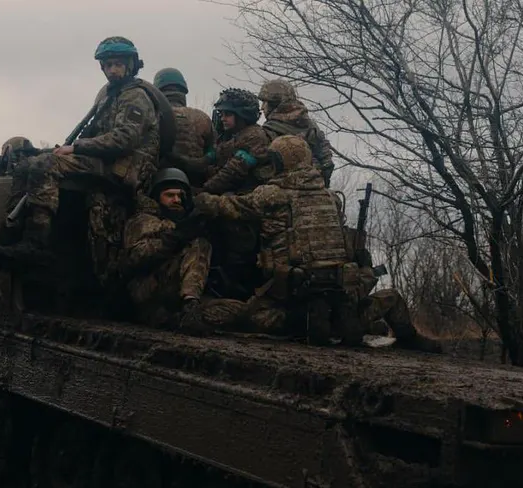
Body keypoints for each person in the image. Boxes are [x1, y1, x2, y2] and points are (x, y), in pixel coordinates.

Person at [0, 36, 161, 290]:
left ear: (131, 64)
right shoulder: (111, 97)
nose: (112, 70)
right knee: (29, 164)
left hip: (122, 169)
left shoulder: (136, 96)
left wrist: (75, 148)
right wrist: (50, 149)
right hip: (104, 163)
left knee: (46, 166)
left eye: (118, 64)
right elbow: (91, 136)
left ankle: (36, 244)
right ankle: (9, 238)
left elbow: (125, 139)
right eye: (108, 64)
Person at [185, 135, 364, 343]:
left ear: (280, 162)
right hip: (339, 282)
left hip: (295, 286)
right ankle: (336, 317)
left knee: (246, 317)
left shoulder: (272, 194)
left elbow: (231, 207)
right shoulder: (332, 197)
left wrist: (200, 199)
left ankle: (301, 318)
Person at [170, 87, 274, 299]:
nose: (223, 118)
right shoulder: (228, 138)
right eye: (222, 114)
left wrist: (201, 192)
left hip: (244, 202)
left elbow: (232, 172)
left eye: (228, 114)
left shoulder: (255, 138)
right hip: (226, 195)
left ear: (242, 115)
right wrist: (175, 160)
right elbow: (204, 161)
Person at [121, 168, 211, 329]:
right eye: (169, 195)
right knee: (199, 244)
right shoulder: (143, 220)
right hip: (145, 291)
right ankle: (189, 305)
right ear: (157, 197)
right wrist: (172, 239)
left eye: (180, 195)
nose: (176, 200)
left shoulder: (183, 223)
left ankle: (186, 310)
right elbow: (134, 258)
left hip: (172, 293)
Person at [258, 79, 335, 186]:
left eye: (265, 102)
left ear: (274, 103)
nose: (262, 107)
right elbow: (327, 163)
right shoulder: (311, 126)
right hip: (317, 190)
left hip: (282, 193)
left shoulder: (269, 130)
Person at [152, 68, 214, 187]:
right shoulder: (203, 118)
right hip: (195, 185)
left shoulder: (151, 115)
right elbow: (213, 153)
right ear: (183, 91)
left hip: (158, 186)